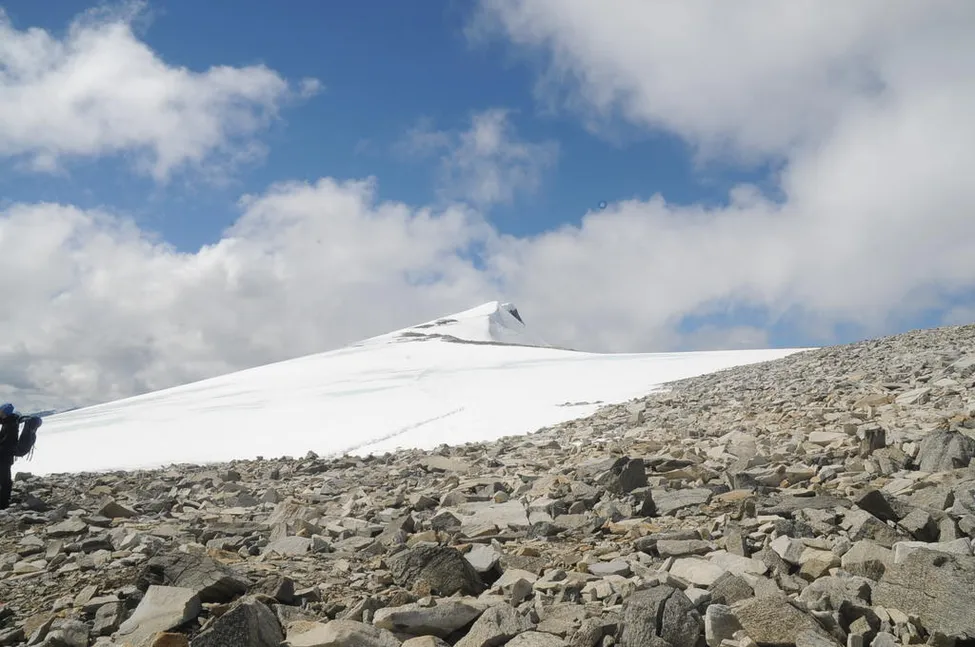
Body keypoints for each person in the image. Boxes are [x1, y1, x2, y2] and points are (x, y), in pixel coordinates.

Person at [0, 403, 21, 509]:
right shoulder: (9, 422)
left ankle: (3, 503)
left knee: (4, 480)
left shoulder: (10, 425)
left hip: (4, 457)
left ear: (5, 412)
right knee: (5, 478)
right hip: (6, 457)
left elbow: (6, 442)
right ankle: (4, 501)